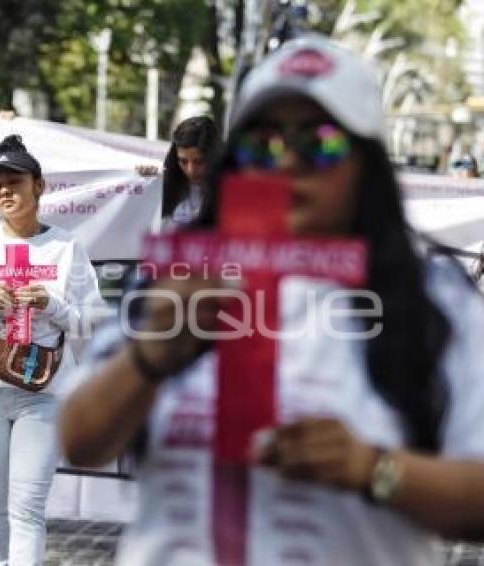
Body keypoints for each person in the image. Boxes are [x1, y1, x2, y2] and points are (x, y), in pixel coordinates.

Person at [59, 35, 484, 565]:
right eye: (263, 144)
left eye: (321, 143)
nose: (288, 163)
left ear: (366, 165)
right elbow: (78, 441)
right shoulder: (181, 279)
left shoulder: (432, 303)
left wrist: (373, 468)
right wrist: (148, 359)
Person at [0, 135, 101, 565]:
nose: (6, 191)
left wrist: (52, 304)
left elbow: (95, 319)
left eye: (15, 181)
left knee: (27, 507)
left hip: (43, 395)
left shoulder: (66, 247)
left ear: (39, 187)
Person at [161, 115, 220, 227]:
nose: (191, 170)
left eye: (199, 161)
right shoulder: (166, 186)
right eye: (183, 161)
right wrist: (143, 180)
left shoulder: (231, 190)